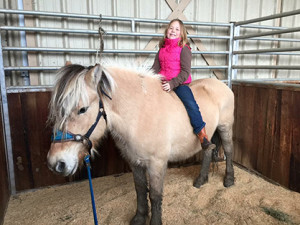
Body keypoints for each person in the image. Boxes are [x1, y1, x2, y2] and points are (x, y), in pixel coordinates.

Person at [151, 18, 215, 151]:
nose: (173, 31)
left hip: (179, 83)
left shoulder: (184, 49)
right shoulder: (161, 49)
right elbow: (154, 70)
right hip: (162, 82)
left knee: (191, 104)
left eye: (177, 29)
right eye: (171, 28)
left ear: (181, 33)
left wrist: (172, 83)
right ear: (167, 31)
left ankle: (202, 136)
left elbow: (185, 72)